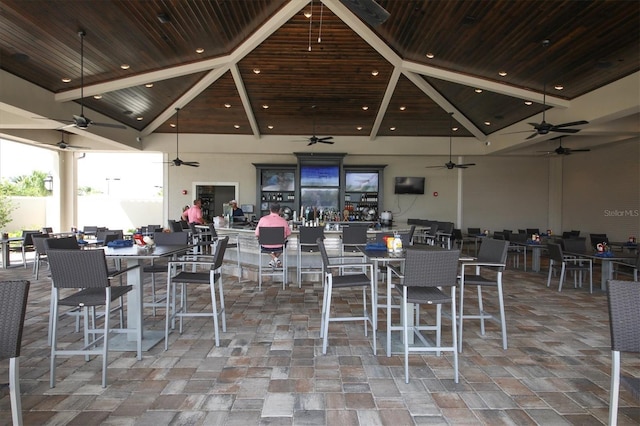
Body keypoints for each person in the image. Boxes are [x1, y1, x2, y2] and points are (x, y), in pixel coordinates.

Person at [255, 202, 291, 268]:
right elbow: (288, 234)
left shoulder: (263, 219)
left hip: (265, 247)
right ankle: (276, 259)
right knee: (284, 243)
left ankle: (274, 260)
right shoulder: (283, 221)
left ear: (270, 209)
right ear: (280, 210)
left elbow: (257, 234)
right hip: (279, 247)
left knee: (263, 243)